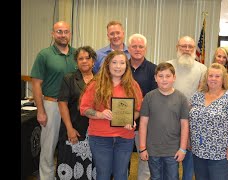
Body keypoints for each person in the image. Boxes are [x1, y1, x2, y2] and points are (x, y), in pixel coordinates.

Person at [79, 50, 143, 180]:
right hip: (100, 138)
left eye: (122, 63)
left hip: (125, 138)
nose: (118, 66)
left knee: (121, 175)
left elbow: (137, 109)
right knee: (103, 175)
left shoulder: (133, 86)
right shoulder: (95, 84)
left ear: (126, 66)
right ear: (107, 64)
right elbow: (84, 109)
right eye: (114, 62)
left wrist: (131, 119)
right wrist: (100, 114)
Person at [30, 21, 77, 180]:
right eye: (59, 31)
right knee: (48, 147)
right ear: (53, 34)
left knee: (72, 145)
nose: (63, 35)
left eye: (66, 32)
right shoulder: (44, 55)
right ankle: (46, 177)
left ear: (70, 34)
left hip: (72, 107)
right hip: (52, 105)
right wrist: (40, 110)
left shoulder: (77, 55)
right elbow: (36, 84)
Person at [189, 63, 228, 180]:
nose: (213, 79)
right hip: (198, 151)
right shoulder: (197, 96)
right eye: (211, 75)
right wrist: (188, 139)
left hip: (222, 153)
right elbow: (189, 119)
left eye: (217, 76)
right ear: (206, 78)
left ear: (223, 79)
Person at [139, 62, 189, 180]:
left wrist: (182, 149)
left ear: (174, 78)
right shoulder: (149, 97)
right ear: (155, 78)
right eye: (160, 76)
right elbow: (143, 123)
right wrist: (142, 148)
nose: (164, 79)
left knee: (172, 177)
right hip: (153, 149)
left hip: (173, 150)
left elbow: (184, 125)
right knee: (155, 177)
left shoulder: (181, 98)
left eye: (168, 76)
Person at [167, 35, 207, 180]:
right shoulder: (168, 66)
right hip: (170, 121)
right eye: (183, 46)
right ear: (177, 47)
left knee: (189, 166)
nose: (187, 49)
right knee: (170, 164)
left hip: (192, 122)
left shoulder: (203, 69)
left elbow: (204, 96)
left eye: (190, 47)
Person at [56, 46, 96, 180]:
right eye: (80, 59)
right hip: (73, 128)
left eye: (87, 58)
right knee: (70, 167)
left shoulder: (101, 80)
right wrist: (69, 129)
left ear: (93, 61)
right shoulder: (69, 78)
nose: (84, 61)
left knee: (92, 169)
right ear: (76, 62)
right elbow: (62, 104)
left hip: (95, 132)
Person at [128, 33, 158, 180]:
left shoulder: (154, 70)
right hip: (121, 123)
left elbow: (152, 97)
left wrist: (135, 114)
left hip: (144, 124)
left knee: (144, 160)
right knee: (122, 160)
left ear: (145, 49)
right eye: (134, 46)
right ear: (129, 48)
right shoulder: (120, 67)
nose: (137, 49)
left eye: (141, 46)